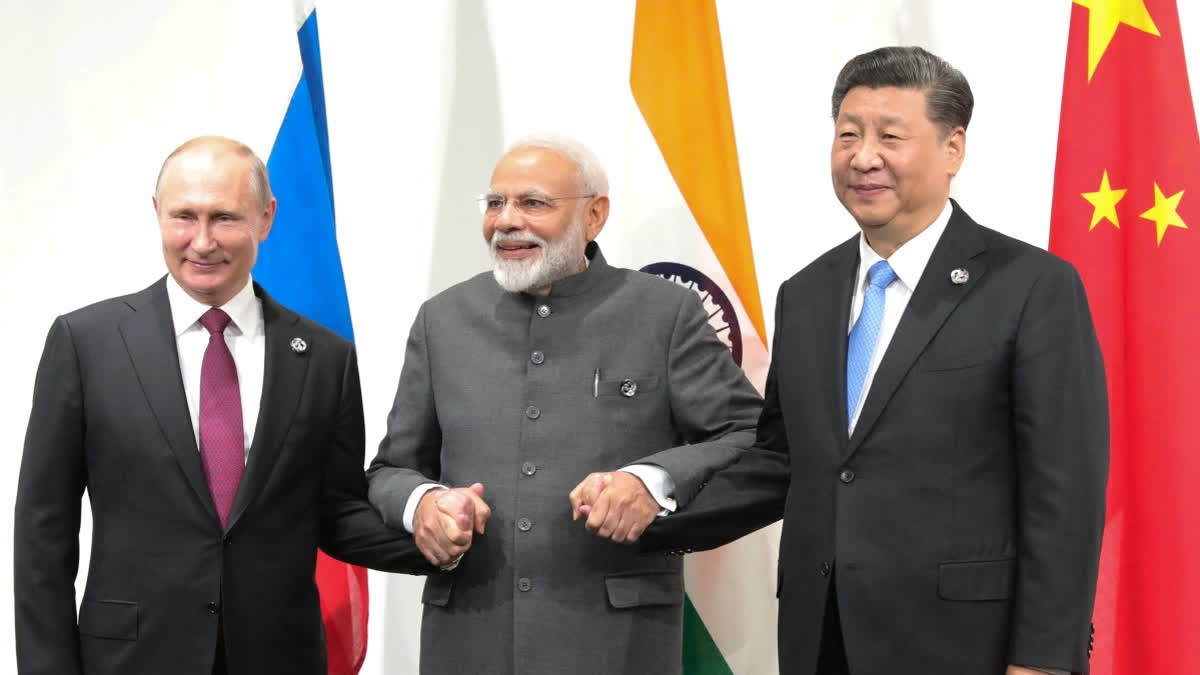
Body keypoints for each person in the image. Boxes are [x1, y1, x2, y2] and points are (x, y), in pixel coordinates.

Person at [624, 47, 1109, 674]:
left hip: (966, 646)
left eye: (890, 136)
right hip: (820, 638)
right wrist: (647, 501)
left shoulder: (1032, 286)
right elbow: (783, 460)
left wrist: (1043, 660)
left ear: (953, 148)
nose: (863, 157)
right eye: (847, 135)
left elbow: (1063, 492)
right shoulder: (806, 294)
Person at [14, 136, 428, 675]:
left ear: (266, 218)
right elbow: (42, 533)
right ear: (157, 212)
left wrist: (439, 538)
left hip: (279, 656)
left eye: (225, 218)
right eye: (184, 216)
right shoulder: (85, 343)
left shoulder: (325, 358)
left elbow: (336, 512)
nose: (202, 242)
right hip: (130, 658)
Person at [365, 134, 762, 675]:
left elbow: (749, 436)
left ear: (594, 217)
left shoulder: (664, 313)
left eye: (533, 203)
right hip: (469, 640)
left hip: (617, 643)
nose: (506, 221)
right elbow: (391, 468)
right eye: (495, 203)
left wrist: (652, 480)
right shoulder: (443, 319)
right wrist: (423, 504)